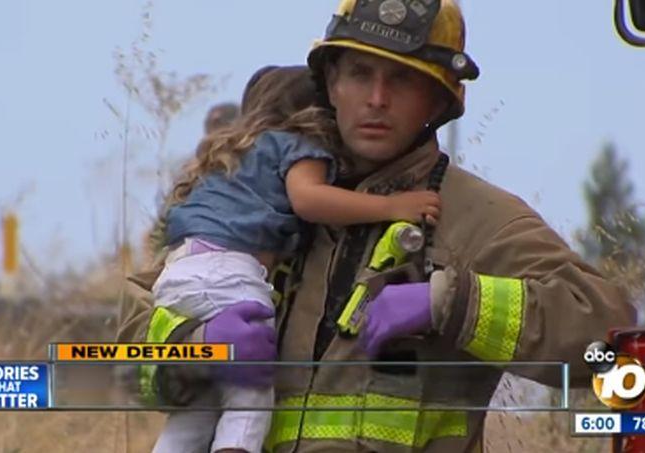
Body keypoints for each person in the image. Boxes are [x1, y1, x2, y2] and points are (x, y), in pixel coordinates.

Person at [118, 0, 636, 451]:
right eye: (360, 74)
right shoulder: (255, 195)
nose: (378, 99)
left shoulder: (480, 220)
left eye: (404, 79)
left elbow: (607, 344)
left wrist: (450, 304)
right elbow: (119, 365)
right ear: (331, 85)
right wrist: (200, 343)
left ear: (440, 102)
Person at [148, 65, 442, 453]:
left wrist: (196, 341)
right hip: (232, 277)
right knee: (249, 395)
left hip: (179, 273)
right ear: (320, 110)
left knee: (197, 406)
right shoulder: (300, 146)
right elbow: (309, 200)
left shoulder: (232, 153)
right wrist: (390, 206)